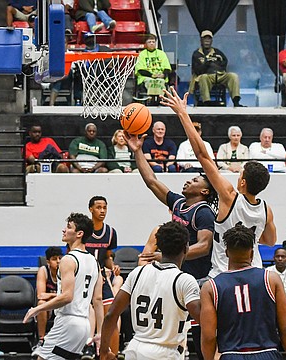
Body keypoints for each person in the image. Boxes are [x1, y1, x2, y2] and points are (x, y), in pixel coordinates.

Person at [160, 88, 277, 273]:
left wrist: (182, 113)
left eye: (240, 175)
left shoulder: (229, 195)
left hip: (224, 273)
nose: (238, 177)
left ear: (243, 182)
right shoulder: (266, 210)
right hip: (254, 272)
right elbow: (270, 241)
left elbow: (202, 155)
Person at [126, 130, 216, 359]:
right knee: (171, 332)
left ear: (204, 191)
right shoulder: (179, 203)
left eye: (195, 180)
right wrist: (137, 152)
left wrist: (171, 255)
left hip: (199, 280)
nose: (188, 180)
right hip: (176, 277)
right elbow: (152, 181)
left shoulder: (203, 212)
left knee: (200, 334)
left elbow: (205, 246)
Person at [99, 221, 201, 360]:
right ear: (186, 249)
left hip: (135, 349)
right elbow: (203, 320)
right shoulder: (185, 280)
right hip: (165, 353)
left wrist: (104, 350)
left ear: (159, 247)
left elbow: (111, 314)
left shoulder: (137, 273)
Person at [200, 224, 286, 360]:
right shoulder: (271, 279)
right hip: (267, 354)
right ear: (252, 253)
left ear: (226, 252)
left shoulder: (210, 287)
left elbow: (208, 336)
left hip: (231, 355)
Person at [24, 213, 104, 360]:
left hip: (68, 322)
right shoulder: (95, 262)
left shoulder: (68, 259)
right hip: (85, 325)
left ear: (79, 234)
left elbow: (67, 296)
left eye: (68, 227)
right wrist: (99, 333)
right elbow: (98, 299)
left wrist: (37, 309)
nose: (64, 230)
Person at [84, 196, 121, 357]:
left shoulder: (111, 232)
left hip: (102, 279)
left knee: (111, 316)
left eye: (105, 207)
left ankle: (112, 354)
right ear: (91, 209)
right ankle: (87, 347)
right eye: (98, 207)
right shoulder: (82, 231)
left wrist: (112, 267)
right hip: (85, 279)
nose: (102, 211)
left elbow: (106, 257)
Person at [189, 30, 243, 107]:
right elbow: (197, 70)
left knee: (233, 76)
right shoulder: (197, 54)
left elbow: (224, 63)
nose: (207, 41)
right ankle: (206, 102)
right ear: (201, 40)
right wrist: (207, 63)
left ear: (211, 41)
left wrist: (217, 62)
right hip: (206, 76)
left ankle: (236, 100)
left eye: (209, 39)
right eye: (205, 39)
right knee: (203, 78)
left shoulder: (217, 52)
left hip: (220, 75)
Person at [31, 246, 63, 355]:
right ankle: (41, 340)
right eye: (54, 259)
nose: (58, 261)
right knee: (41, 304)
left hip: (62, 305)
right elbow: (40, 295)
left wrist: (53, 296)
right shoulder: (43, 270)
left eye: (60, 258)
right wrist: (58, 295)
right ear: (48, 261)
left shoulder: (66, 270)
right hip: (50, 307)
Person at [134, 34, 172, 99]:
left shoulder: (161, 53)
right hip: (146, 77)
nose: (152, 43)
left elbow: (167, 67)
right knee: (150, 81)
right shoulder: (142, 54)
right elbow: (140, 69)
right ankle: (149, 97)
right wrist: (151, 75)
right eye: (149, 42)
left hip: (160, 77)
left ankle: (160, 98)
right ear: (146, 44)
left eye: (153, 42)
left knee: (160, 81)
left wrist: (163, 74)